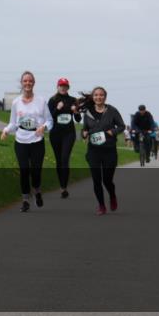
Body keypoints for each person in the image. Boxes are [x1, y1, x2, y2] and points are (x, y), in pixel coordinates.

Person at [0, 71, 53, 212]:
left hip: (37, 141)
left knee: (35, 172)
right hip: (21, 141)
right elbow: (13, 123)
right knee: (24, 170)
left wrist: (44, 127)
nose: (28, 83)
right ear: (22, 83)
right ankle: (25, 200)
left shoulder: (41, 101)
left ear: (33, 83)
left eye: (30, 81)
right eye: (25, 81)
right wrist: (6, 130)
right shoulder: (16, 102)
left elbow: (50, 120)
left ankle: (37, 191)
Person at [81, 86, 126, 215]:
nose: (98, 97)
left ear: (105, 97)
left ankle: (112, 195)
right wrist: (84, 133)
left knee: (107, 180)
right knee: (96, 179)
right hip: (93, 151)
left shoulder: (112, 111)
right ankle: (101, 206)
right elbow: (85, 128)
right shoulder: (88, 112)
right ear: (93, 97)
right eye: (96, 95)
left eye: (101, 95)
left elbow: (122, 126)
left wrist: (113, 131)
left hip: (109, 150)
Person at [47, 77, 82, 199]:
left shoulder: (73, 100)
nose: (63, 87)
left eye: (65, 86)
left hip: (69, 133)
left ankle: (64, 188)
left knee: (64, 159)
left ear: (68, 87)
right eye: (61, 85)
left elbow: (78, 119)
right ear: (57, 87)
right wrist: (57, 108)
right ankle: (61, 186)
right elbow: (49, 117)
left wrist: (76, 111)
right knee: (58, 161)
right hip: (55, 134)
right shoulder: (52, 100)